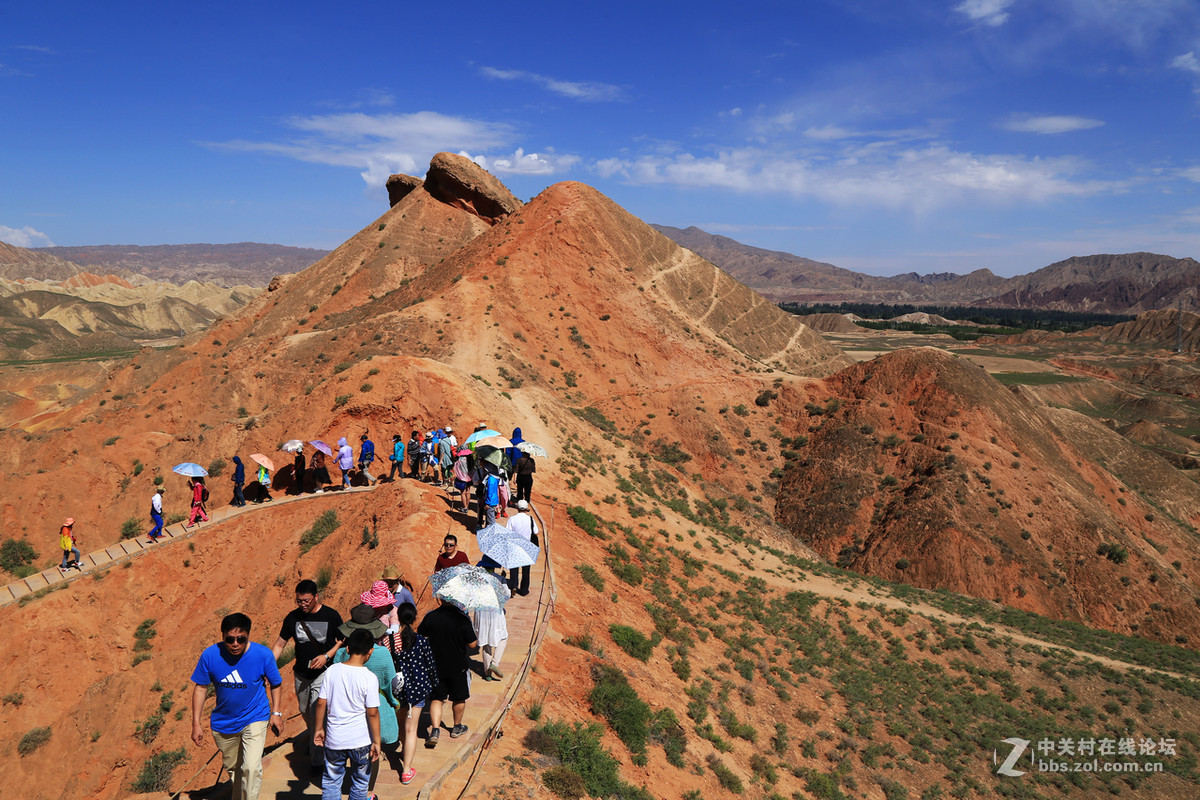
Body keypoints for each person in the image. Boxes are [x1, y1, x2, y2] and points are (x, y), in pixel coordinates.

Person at [190, 612, 283, 800]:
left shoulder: (263, 655)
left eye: (241, 639)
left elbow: (276, 683)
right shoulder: (210, 655)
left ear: (248, 635)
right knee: (234, 769)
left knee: (251, 768)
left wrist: (276, 713)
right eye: (230, 639)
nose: (235, 644)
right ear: (222, 636)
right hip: (224, 722)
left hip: (255, 716)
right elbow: (200, 688)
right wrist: (196, 724)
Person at [272, 580, 344, 771]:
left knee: (315, 710)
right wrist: (268, 667)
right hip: (301, 674)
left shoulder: (331, 616)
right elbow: (280, 644)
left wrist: (326, 656)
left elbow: (342, 641)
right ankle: (315, 736)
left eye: (306, 601)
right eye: (299, 601)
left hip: (324, 673)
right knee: (304, 710)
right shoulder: (292, 618)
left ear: (316, 597)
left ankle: (317, 759)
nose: (302, 604)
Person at [334, 609, 397, 798]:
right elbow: (389, 683)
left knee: (352, 747)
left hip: (348, 707)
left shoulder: (342, 653)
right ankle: (368, 792)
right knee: (372, 751)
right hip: (375, 706)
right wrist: (393, 701)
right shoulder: (382, 653)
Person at [313, 629, 381, 800]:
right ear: (370, 651)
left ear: (347, 648)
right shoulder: (370, 678)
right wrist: (376, 741)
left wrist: (319, 728)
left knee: (331, 781)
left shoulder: (332, 671)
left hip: (334, 738)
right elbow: (372, 713)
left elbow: (321, 703)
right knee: (360, 782)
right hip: (361, 740)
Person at [417, 599, 478, 747]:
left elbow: (421, 633)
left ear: (440, 598)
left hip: (436, 665)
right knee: (459, 698)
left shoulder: (431, 616)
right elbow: (472, 644)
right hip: (458, 666)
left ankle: (435, 730)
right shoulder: (462, 619)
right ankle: (457, 727)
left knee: (437, 698)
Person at [394, 602, 437, 784]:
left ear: (398, 618)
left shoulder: (390, 642)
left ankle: (405, 750)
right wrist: (434, 683)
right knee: (411, 729)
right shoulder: (421, 641)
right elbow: (430, 664)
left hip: (398, 690)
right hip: (418, 690)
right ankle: (406, 770)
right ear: (414, 619)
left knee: (402, 724)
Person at [474, 585, 511, 681]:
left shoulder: (477, 582)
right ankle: (494, 663)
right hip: (495, 613)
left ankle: (487, 674)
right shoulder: (498, 580)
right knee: (503, 637)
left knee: (486, 643)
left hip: (481, 614)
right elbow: (507, 594)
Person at [506, 499, 539, 597]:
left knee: (514, 568)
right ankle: (524, 590)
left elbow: (507, 532)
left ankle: (513, 586)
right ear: (526, 508)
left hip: (515, 546)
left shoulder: (512, 519)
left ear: (517, 508)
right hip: (527, 547)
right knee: (526, 570)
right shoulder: (530, 519)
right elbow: (536, 532)